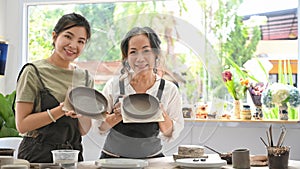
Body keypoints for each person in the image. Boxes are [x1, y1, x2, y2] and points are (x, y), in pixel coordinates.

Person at [15, 13, 94, 163]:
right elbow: (22, 125)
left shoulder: (85, 78)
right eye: (68, 37)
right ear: (54, 36)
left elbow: (83, 130)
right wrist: (61, 110)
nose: (73, 45)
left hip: (73, 154)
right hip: (37, 155)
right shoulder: (33, 71)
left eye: (81, 41)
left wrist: (81, 114)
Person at [95, 26, 184, 159]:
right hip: (113, 159)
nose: (140, 58)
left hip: (152, 160)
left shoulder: (168, 89)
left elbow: (169, 133)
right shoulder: (114, 86)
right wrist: (119, 115)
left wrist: (161, 114)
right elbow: (100, 127)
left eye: (146, 51)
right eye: (133, 52)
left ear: (156, 54)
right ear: (126, 57)